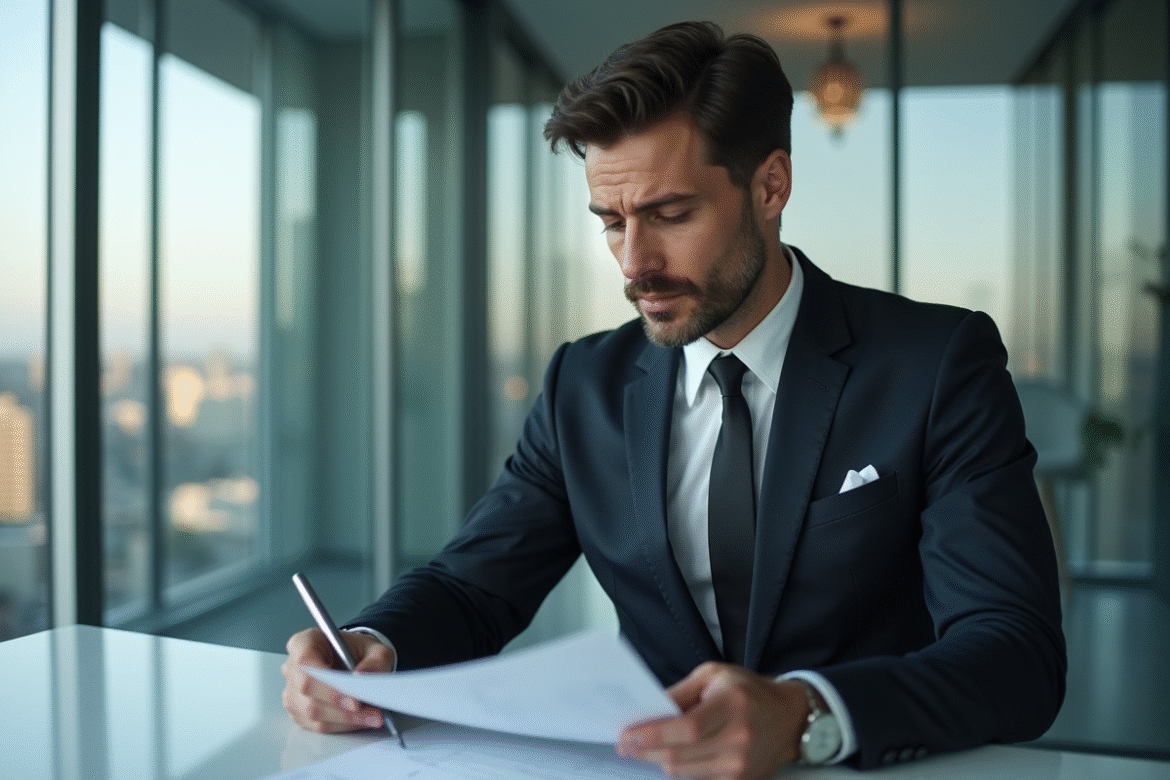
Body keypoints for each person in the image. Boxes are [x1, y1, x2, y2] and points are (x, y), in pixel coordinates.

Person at [283, 21, 1066, 778]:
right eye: (611, 222)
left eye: (670, 215)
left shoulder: (935, 363)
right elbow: (471, 586)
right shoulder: (580, 385)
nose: (635, 264)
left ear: (771, 185)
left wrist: (803, 715)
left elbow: (1015, 651)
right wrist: (370, 642)